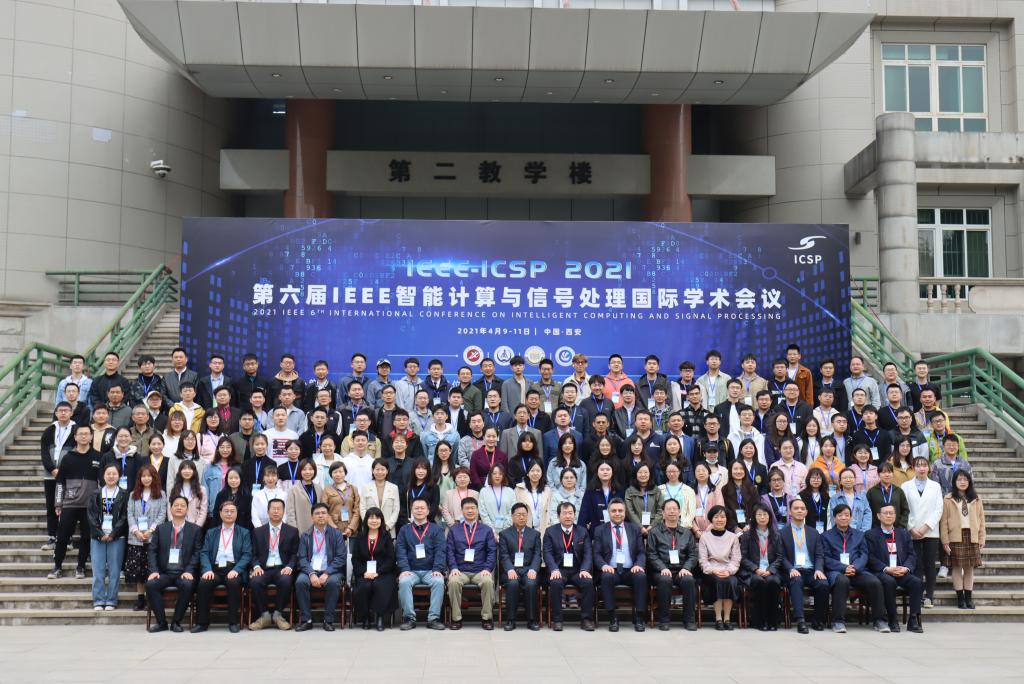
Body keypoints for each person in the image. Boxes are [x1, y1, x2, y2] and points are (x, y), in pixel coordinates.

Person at [821, 503, 889, 632]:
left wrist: (855, 567)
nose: (843, 518)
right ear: (834, 518)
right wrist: (843, 568)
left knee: (874, 582)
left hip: (857, 571)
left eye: (846, 515)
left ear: (851, 518)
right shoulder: (826, 536)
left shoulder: (859, 535)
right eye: (840, 515)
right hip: (836, 572)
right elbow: (826, 558)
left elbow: (864, 554)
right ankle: (838, 621)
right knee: (842, 581)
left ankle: (879, 620)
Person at [145, 495, 204, 632]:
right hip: (164, 572)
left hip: (183, 572)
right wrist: (154, 571)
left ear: (187, 509)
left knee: (188, 585)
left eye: (182, 505)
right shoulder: (161, 528)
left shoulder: (195, 530)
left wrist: (189, 570)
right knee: (151, 585)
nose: (179, 508)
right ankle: (161, 622)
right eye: (176, 505)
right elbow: (152, 551)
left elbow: (197, 553)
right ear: (170, 508)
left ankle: (176, 622)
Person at [49, 424, 100, 580]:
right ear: (75, 437)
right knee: (62, 537)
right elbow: (60, 482)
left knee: (86, 537)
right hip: (69, 504)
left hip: (89, 506)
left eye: (87, 434)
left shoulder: (99, 457)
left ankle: (81, 567)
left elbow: (103, 483)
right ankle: (57, 566)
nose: (84, 436)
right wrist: (58, 504)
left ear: (91, 437)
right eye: (81, 434)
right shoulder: (68, 457)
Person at [193, 500, 252, 633]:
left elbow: (247, 554)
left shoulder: (244, 532)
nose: (229, 514)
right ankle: (202, 623)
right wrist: (207, 569)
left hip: (233, 568)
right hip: (214, 568)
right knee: (203, 583)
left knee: (233, 583)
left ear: (236, 514)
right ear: (220, 514)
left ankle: (233, 622)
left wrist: (236, 570)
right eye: (226, 511)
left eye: (232, 511)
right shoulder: (211, 532)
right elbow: (204, 552)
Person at [866, 503, 924, 633]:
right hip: (883, 572)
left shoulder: (903, 533)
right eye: (885, 513)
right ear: (878, 516)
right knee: (889, 581)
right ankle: (892, 619)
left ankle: (913, 619)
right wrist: (886, 568)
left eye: (891, 513)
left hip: (900, 571)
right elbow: (870, 557)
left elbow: (912, 555)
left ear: (895, 516)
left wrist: (906, 568)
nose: (888, 516)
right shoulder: (871, 534)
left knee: (916, 582)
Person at [592, 498, 648, 632]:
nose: (617, 513)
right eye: (614, 511)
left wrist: (639, 564)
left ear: (625, 512)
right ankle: (613, 618)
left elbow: (641, 552)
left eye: (620, 511)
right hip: (611, 569)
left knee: (641, 576)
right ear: (609, 513)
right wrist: (604, 565)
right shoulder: (600, 530)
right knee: (606, 577)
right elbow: (596, 553)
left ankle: (639, 617)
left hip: (631, 570)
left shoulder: (634, 529)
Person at [646, 498, 699, 630]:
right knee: (665, 580)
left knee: (689, 580)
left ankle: (689, 620)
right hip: (661, 570)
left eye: (674, 509)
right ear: (663, 513)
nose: (672, 512)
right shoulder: (654, 532)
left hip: (681, 569)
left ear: (679, 512)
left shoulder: (687, 533)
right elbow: (651, 554)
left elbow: (693, 554)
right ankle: (663, 620)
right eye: (668, 509)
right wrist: (662, 568)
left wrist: (686, 568)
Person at [543, 501, 596, 631]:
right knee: (555, 583)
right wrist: (554, 569)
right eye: (565, 513)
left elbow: (588, 553)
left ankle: (586, 619)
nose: (568, 516)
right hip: (559, 569)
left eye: (570, 513)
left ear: (574, 515)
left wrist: (585, 569)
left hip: (578, 570)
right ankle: (557, 620)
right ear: (558, 516)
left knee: (588, 582)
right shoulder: (550, 532)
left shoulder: (582, 531)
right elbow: (547, 553)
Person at [247, 498, 299, 630]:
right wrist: (256, 566)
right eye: (273, 509)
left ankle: (277, 614)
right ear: (268, 511)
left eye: (279, 509)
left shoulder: (292, 531)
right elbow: (253, 553)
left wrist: (289, 566)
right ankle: (264, 615)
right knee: (255, 581)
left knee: (286, 580)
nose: (276, 511)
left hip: (282, 568)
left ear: (283, 511)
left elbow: (295, 553)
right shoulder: (258, 531)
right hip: (264, 568)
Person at [396, 498, 447, 630]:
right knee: (404, 582)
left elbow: (440, 550)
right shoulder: (404, 530)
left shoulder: (436, 529)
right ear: (412, 511)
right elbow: (401, 551)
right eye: (416, 508)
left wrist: (437, 569)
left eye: (422, 508)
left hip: (431, 570)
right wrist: (404, 569)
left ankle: (433, 618)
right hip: (411, 571)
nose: (419, 510)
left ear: (428, 511)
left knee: (439, 582)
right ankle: (409, 618)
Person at [446, 497, 497, 629]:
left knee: (488, 582)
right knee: (453, 582)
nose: (470, 511)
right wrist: (453, 568)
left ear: (477, 510)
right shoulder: (454, 529)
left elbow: (492, 551)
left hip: (480, 570)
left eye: (472, 508)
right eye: (467, 508)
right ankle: (456, 618)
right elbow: (450, 551)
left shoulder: (486, 530)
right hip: (460, 570)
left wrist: (487, 569)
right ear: (462, 511)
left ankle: (487, 618)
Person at [779, 498, 829, 633]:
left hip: (811, 570)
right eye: (796, 508)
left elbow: (819, 554)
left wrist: (819, 569)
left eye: (802, 508)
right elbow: (781, 556)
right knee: (796, 581)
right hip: (793, 570)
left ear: (806, 512)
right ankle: (800, 620)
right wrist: (790, 568)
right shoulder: (782, 533)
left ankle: (817, 620)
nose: (799, 511)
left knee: (823, 584)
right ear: (790, 512)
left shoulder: (814, 532)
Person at [294, 503, 347, 631]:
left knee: (333, 582)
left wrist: (327, 573)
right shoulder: (305, 535)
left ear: (328, 516)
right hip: (310, 571)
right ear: (312, 517)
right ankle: (307, 620)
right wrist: (311, 573)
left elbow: (340, 557)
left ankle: (328, 621)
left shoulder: (337, 534)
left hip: (331, 571)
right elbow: (302, 558)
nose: (321, 516)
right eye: (317, 514)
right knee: (300, 582)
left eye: (323, 513)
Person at [902, 456, 943, 608]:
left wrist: (926, 526)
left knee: (930, 564)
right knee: (916, 564)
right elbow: (904, 509)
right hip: (912, 531)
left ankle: (929, 596)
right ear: (913, 467)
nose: (921, 468)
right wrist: (911, 528)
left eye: (924, 465)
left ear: (928, 468)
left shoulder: (935, 486)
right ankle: (917, 595)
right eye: (918, 465)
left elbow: (939, 509)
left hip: (930, 531)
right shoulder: (906, 486)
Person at [940, 470, 986, 610]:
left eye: (965, 479)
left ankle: (968, 599)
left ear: (969, 482)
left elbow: (981, 520)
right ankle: (960, 599)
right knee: (956, 567)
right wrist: (945, 540)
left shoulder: (976, 498)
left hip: (971, 536)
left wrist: (981, 538)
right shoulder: (948, 499)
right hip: (955, 536)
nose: (962, 482)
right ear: (954, 482)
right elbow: (944, 521)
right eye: (959, 479)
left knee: (969, 568)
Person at [87, 464, 129, 610]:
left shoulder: (124, 494)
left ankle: (111, 600)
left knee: (114, 571)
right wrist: (100, 534)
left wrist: (113, 534)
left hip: (116, 537)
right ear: (103, 475)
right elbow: (91, 515)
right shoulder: (95, 493)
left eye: (114, 474)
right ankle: (98, 600)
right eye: (108, 473)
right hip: (97, 537)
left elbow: (124, 516)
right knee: (98, 570)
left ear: (119, 476)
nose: (111, 476)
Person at [125, 465, 166, 611]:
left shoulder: (161, 494)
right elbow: (130, 514)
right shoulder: (133, 494)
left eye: (149, 476)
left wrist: (151, 530)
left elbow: (162, 514)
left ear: (154, 477)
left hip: (153, 537)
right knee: (138, 571)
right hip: (136, 538)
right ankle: (140, 599)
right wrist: (136, 531)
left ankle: (151, 599)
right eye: (143, 476)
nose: (146, 479)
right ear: (139, 478)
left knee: (151, 570)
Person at [350, 507, 397, 630]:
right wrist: (364, 572)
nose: (374, 520)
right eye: (371, 518)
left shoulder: (386, 536)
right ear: (366, 520)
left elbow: (390, 558)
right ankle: (365, 618)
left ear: (381, 520)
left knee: (379, 585)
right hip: (364, 572)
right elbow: (355, 559)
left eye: (377, 518)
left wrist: (378, 572)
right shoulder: (360, 537)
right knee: (364, 586)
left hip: (383, 572)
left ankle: (380, 617)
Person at [497, 503, 542, 631]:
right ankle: (510, 620)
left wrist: (533, 569)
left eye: (524, 515)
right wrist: (510, 569)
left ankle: (532, 620)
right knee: (513, 583)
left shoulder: (535, 534)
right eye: (518, 515)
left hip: (529, 569)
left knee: (531, 583)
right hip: (511, 570)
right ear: (512, 516)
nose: (521, 517)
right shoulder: (504, 534)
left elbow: (537, 554)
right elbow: (504, 555)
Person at [740, 502, 783, 630]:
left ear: (769, 517)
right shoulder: (747, 535)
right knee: (759, 582)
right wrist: (756, 569)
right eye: (759, 514)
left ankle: (773, 621)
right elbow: (743, 557)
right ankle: (760, 621)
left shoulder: (776, 535)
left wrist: (770, 570)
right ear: (754, 517)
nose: (762, 517)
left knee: (773, 582)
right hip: (753, 572)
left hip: (771, 571)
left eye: (765, 514)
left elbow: (780, 557)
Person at [40, 403, 78, 551]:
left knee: (68, 507)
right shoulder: (49, 430)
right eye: (60, 410)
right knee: (51, 506)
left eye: (66, 410)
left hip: (68, 475)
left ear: (71, 413)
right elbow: (44, 452)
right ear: (55, 413)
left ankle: (67, 538)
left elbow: (77, 450)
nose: (63, 413)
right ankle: (52, 537)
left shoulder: (76, 429)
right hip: (51, 475)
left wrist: (64, 470)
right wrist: (52, 469)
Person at [697, 505, 741, 630]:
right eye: (716, 517)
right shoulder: (704, 537)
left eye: (722, 517)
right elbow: (703, 560)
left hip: (728, 570)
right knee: (718, 582)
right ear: (711, 519)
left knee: (731, 581)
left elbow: (736, 559)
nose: (719, 520)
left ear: (727, 519)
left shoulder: (733, 537)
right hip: (711, 571)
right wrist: (713, 570)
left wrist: (729, 571)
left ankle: (727, 618)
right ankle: (718, 619)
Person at [360, 458, 400, 535]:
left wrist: (387, 526)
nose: (380, 472)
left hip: (388, 530)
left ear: (387, 471)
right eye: (377, 469)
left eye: (382, 469)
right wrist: (370, 524)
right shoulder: (366, 488)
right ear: (373, 470)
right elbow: (362, 508)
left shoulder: (394, 488)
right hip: (370, 530)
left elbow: (396, 509)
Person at [579, 462, 623, 531]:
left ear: (612, 472)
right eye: (602, 470)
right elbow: (584, 512)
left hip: (616, 529)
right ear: (597, 472)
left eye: (608, 469)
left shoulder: (619, 490)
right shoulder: (590, 490)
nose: (605, 472)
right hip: (595, 529)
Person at [285, 458, 324, 534]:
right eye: (304, 469)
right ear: (300, 471)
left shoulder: (318, 488)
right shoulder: (294, 490)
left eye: (310, 469)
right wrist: (294, 531)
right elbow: (290, 513)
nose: (307, 472)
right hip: (301, 529)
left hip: (318, 528)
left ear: (314, 471)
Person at [322, 461, 360, 535]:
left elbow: (357, 510)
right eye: (335, 472)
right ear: (331, 474)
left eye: (340, 471)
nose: (338, 474)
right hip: (333, 530)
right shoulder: (327, 490)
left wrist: (351, 528)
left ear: (345, 473)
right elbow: (324, 510)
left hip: (350, 530)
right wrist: (334, 528)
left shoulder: (353, 488)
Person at [624, 462, 663, 536]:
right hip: (635, 529)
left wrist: (652, 526)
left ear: (650, 474)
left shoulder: (656, 490)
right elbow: (629, 511)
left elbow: (661, 510)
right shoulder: (629, 491)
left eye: (645, 472)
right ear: (635, 474)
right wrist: (640, 527)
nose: (643, 475)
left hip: (655, 529)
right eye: (640, 472)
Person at [867, 463, 909, 528]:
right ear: (878, 474)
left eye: (889, 472)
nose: (887, 475)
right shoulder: (872, 492)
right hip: (877, 529)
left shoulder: (898, 491)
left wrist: (901, 526)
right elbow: (867, 511)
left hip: (896, 529)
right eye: (883, 472)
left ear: (892, 474)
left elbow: (905, 510)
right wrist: (874, 527)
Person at [478, 464, 515, 537]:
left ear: (503, 475)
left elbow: (512, 511)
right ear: (490, 475)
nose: (497, 476)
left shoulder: (510, 491)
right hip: (488, 531)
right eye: (494, 473)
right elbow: (483, 513)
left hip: (507, 531)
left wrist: (505, 530)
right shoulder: (484, 491)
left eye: (500, 474)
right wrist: (492, 531)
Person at [690, 462, 725, 539]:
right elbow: (688, 513)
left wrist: (710, 528)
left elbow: (720, 510)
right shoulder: (690, 491)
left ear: (709, 473)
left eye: (703, 470)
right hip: (696, 534)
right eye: (698, 471)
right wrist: (696, 530)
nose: (701, 473)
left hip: (714, 530)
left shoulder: (716, 490)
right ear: (694, 474)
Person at [168, 460, 208, 527]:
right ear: (180, 471)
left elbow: (203, 511)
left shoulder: (202, 490)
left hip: (194, 524)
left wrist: (196, 527)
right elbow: (169, 508)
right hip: (176, 525)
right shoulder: (174, 489)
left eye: (190, 469)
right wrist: (174, 525)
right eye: (184, 469)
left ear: (194, 471)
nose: (187, 471)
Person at [721, 460, 758, 533]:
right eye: (735, 469)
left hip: (750, 527)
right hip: (732, 529)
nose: (739, 471)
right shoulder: (725, 490)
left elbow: (756, 507)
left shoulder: (752, 488)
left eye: (741, 469)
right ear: (730, 471)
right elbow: (726, 510)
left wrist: (749, 525)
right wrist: (734, 527)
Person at [515, 460, 551, 532]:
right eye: (532, 470)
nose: (535, 473)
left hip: (543, 528)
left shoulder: (547, 490)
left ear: (542, 473)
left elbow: (550, 510)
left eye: (538, 471)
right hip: (525, 528)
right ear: (527, 473)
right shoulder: (519, 489)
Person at [800, 468, 830, 534]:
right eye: (813, 478)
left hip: (824, 532)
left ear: (822, 480)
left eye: (818, 478)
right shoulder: (801, 495)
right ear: (808, 479)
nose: (816, 480)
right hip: (807, 531)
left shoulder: (826, 496)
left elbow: (828, 516)